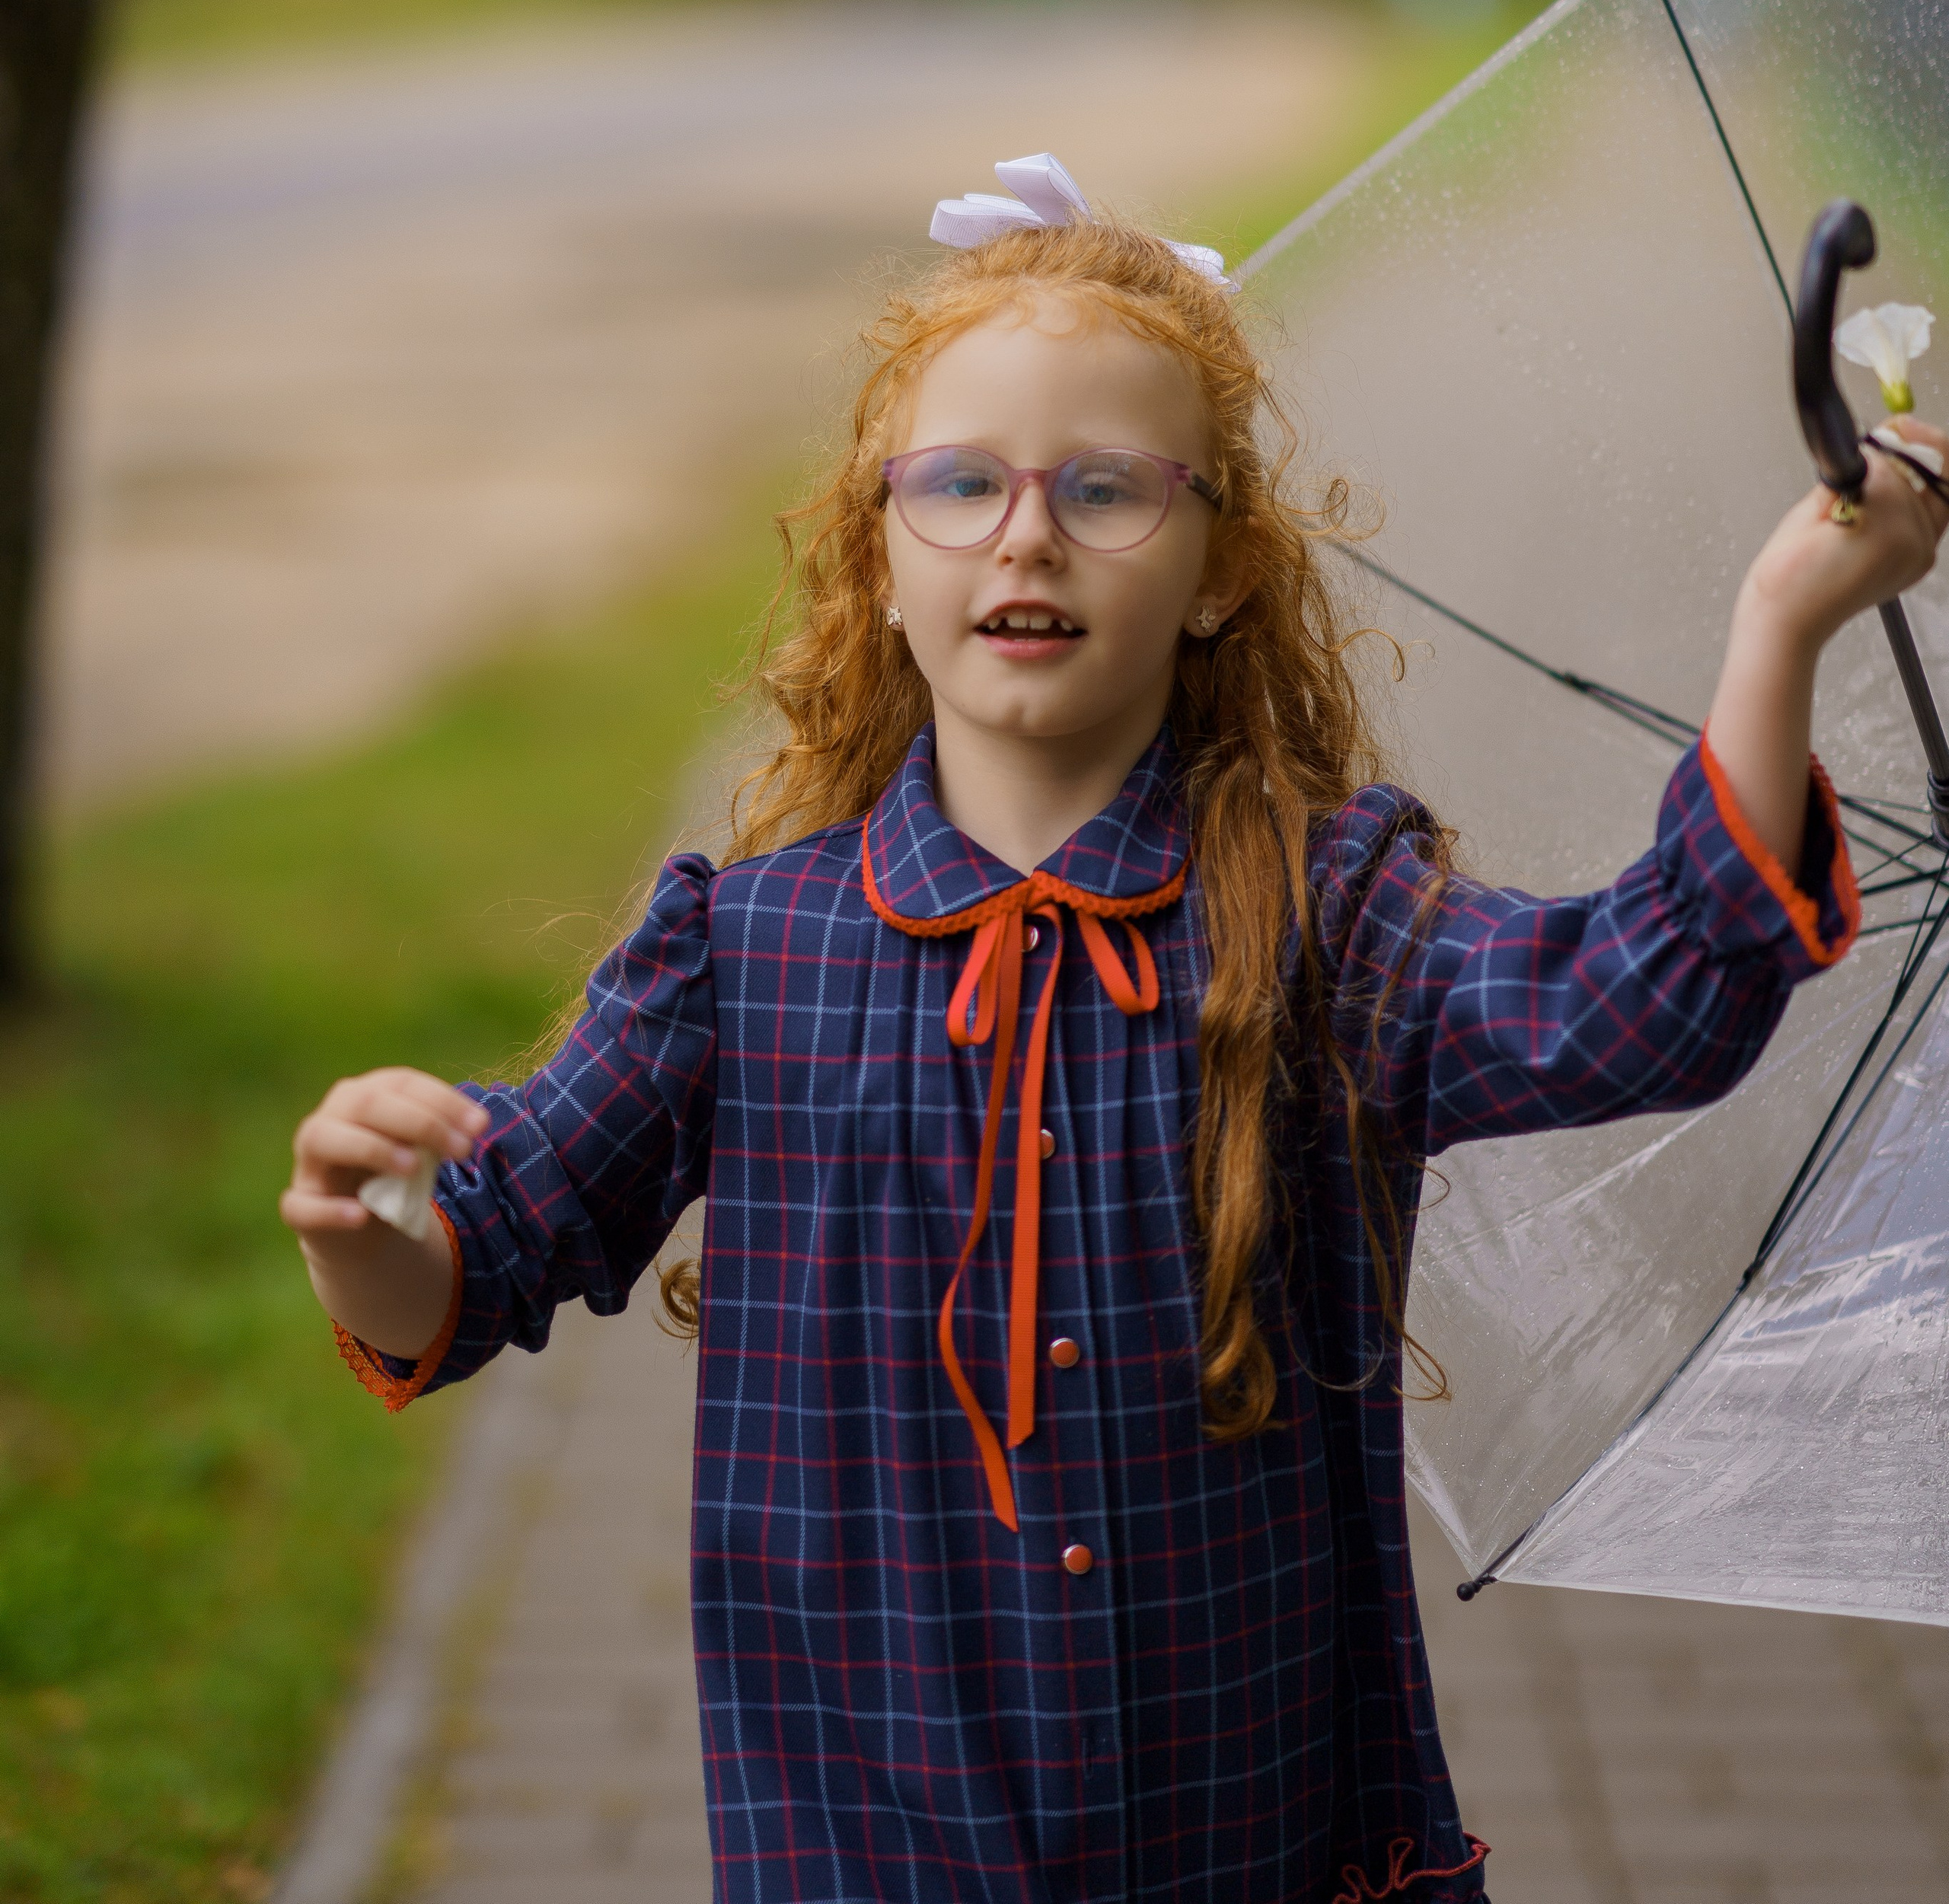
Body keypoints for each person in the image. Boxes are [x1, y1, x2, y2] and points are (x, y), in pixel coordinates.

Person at [282, 157, 1947, 1904]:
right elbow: (476, 1265)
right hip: (865, 1857)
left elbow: (1634, 1001)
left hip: (1243, 1839)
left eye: (1104, 488)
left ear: (1218, 570)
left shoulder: (1324, 919)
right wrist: (367, 1221)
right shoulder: (739, 955)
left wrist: (1777, 627)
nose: (1027, 534)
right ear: (879, 555)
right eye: (960, 483)